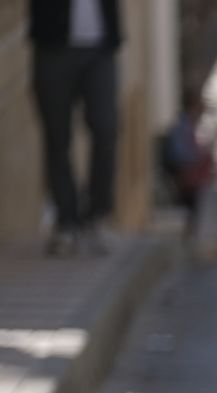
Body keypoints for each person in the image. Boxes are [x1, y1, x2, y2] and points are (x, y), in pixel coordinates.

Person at [28, 0, 123, 257]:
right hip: (53, 45)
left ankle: (97, 216)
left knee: (107, 129)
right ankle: (66, 222)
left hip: (100, 47)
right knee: (57, 138)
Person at [160, 88, 217, 244]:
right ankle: (188, 236)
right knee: (189, 206)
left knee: (194, 207)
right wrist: (199, 158)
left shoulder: (189, 125)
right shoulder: (182, 126)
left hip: (190, 175)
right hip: (183, 174)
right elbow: (180, 154)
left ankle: (190, 234)